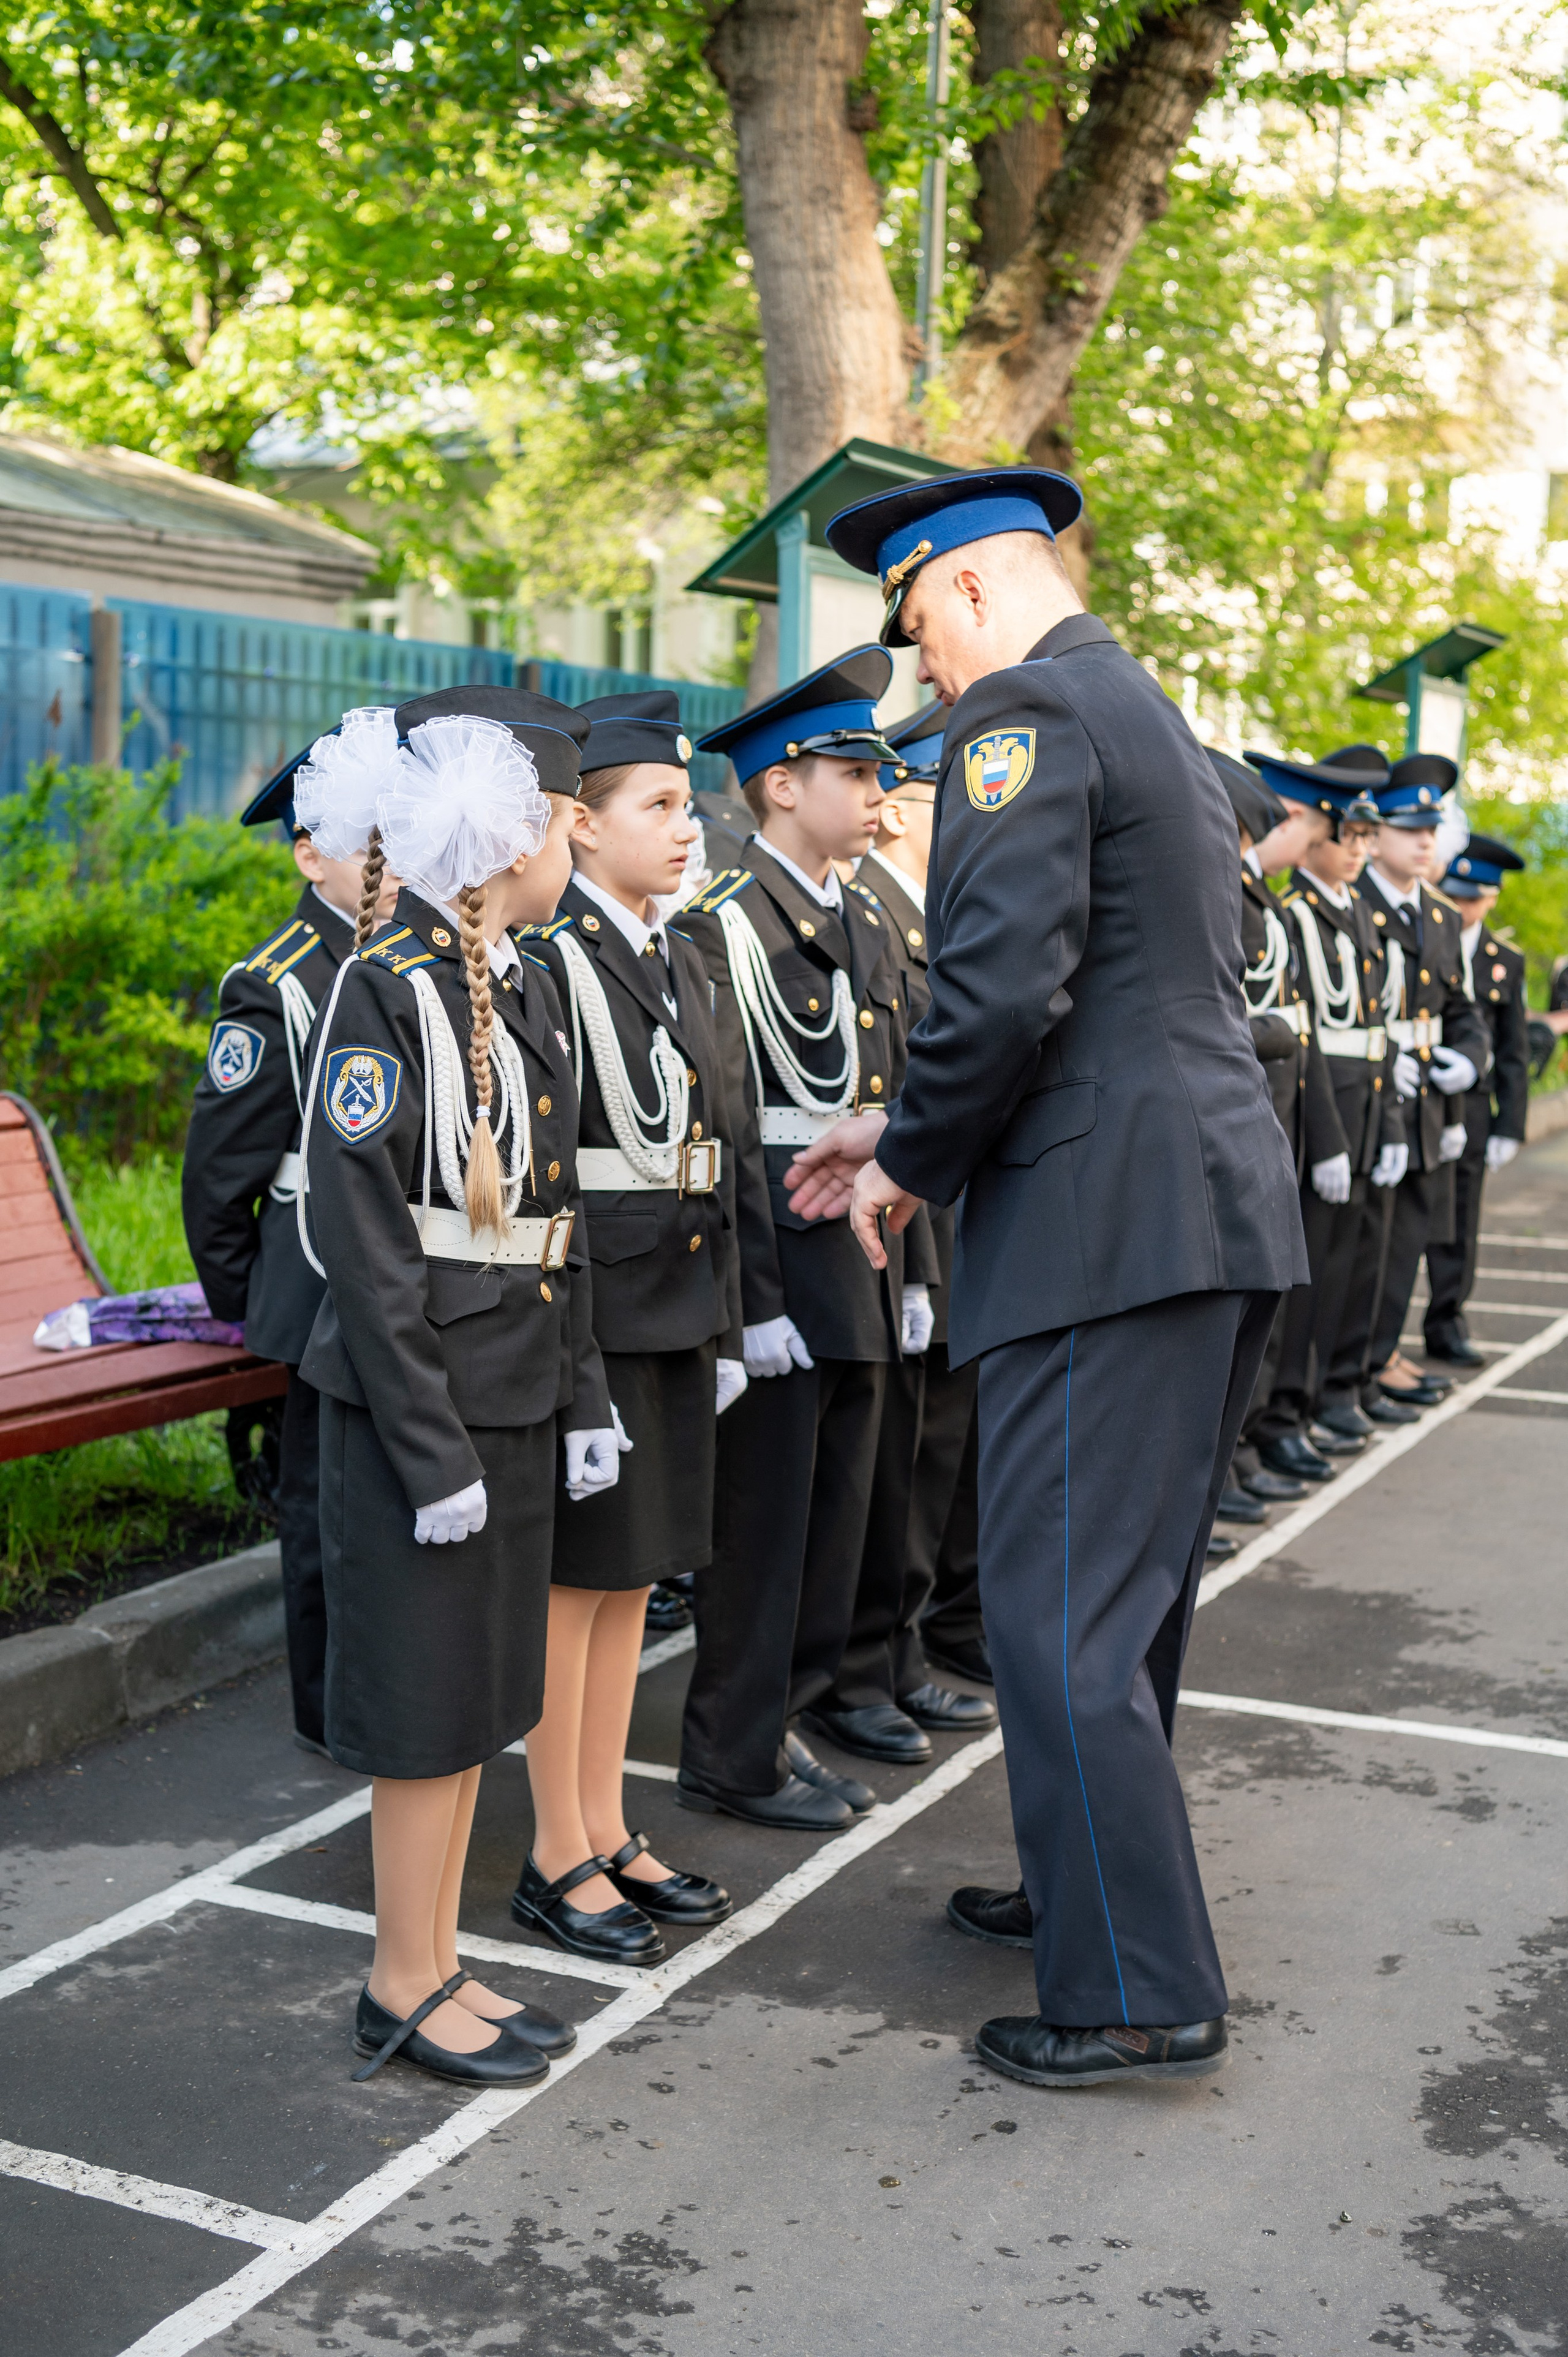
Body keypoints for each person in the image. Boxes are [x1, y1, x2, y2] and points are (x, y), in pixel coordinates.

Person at [789, 466, 1305, 2089]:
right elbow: (1112, 993)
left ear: (968, 593)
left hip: (1107, 1231)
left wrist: (903, 1158)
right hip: (1187, 1208)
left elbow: (1008, 985)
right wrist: (902, 1114)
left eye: (922, 632)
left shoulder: (1029, 709)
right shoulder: (1128, 703)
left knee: (1056, 1612)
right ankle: (1089, 1892)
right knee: (1121, 1605)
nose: (928, 677)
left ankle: (1137, 1992)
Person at [299, 685, 614, 2089]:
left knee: (483, 1691)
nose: (569, 840)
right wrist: (430, 1456)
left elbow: (558, 1226)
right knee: (426, 1706)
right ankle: (399, 1977)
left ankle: (439, 1956)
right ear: (501, 835)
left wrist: (586, 1398)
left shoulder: (526, 976)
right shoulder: (387, 986)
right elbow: (365, 1256)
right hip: (419, 1412)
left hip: (515, 1389)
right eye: (558, 819)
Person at [673, 648, 935, 1830]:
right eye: (852, 768)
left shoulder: (858, 909)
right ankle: (734, 1748)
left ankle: (796, 1712)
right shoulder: (725, 924)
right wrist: (756, 1298)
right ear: (781, 784)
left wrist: (918, 1268)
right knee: (764, 1532)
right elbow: (726, 1127)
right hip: (782, 1259)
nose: (877, 793)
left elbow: (889, 1094)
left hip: (864, 1256)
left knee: (838, 1518)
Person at [507, 691, 739, 1966]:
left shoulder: (676, 950)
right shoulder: (552, 962)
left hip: (673, 1305)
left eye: (689, 801)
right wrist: (575, 1362)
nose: (686, 825)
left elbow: (728, 1144)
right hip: (597, 1310)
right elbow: (552, 1175)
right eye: (657, 804)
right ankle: (554, 1848)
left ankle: (602, 1819)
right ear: (580, 829)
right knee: (572, 1585)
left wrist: (735, 1318)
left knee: (633, 1579)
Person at [181, 708, 401, 1755]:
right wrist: (248, 1306)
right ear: (308, 851)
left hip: (390, 1272)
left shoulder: (406, 961)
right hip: (310, 1282)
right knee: (320, 1512)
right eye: (366, 840)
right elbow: (219, 1173)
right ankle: (326, 1709)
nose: (387, 861)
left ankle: (381, 1684)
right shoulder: (275, 982)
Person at [835, 702, 996, 1728]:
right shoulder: (873, 923)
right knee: (886, 1469)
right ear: (897, 809)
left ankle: (899, 1650)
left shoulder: (929, 919)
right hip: (885, 1230)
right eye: (953, 793)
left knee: (931, 1456)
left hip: (940, 1226)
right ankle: (869, 1663)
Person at [1234, 745, 1408, 1468]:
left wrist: (1388, 1121)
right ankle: (1275, 1419)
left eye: (1368, 837)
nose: (1356, 850)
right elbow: (1299, 1034)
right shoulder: (1288, 907)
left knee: (1345, 1274)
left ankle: (1307, 1403)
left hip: (1349, 1111)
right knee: (1289, 1294)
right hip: (1301, 1118)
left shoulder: (1348, 914)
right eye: (1350, 835)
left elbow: (1369, 1033)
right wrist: (1328, 1138)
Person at [1336, 756, 1491, 1411]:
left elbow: (1461, 1006)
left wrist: (1471, 1057)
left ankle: (1377, 1360)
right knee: (1358, 1255)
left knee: (1401, 1251)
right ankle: (1348, 1374)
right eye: (1410, 828)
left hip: (1426, 1106)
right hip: (1373, 1099)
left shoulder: (1439, 913)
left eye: (1432, 828)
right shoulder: (1355, 902)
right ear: (1377, 834)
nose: (1426, 841)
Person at [1423, 833, 1529, 1363]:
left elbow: (1512, 1051)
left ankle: (1446, 1321)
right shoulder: (1422, 936)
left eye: (1472, 898)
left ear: (1491, 899)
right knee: (1408, 1218)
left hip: (1471, 1107)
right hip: (1417, 1097)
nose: (1461, 907)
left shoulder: (1504, 960)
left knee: (1460, 1221)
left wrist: (1510, 1124)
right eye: (1454, 894)